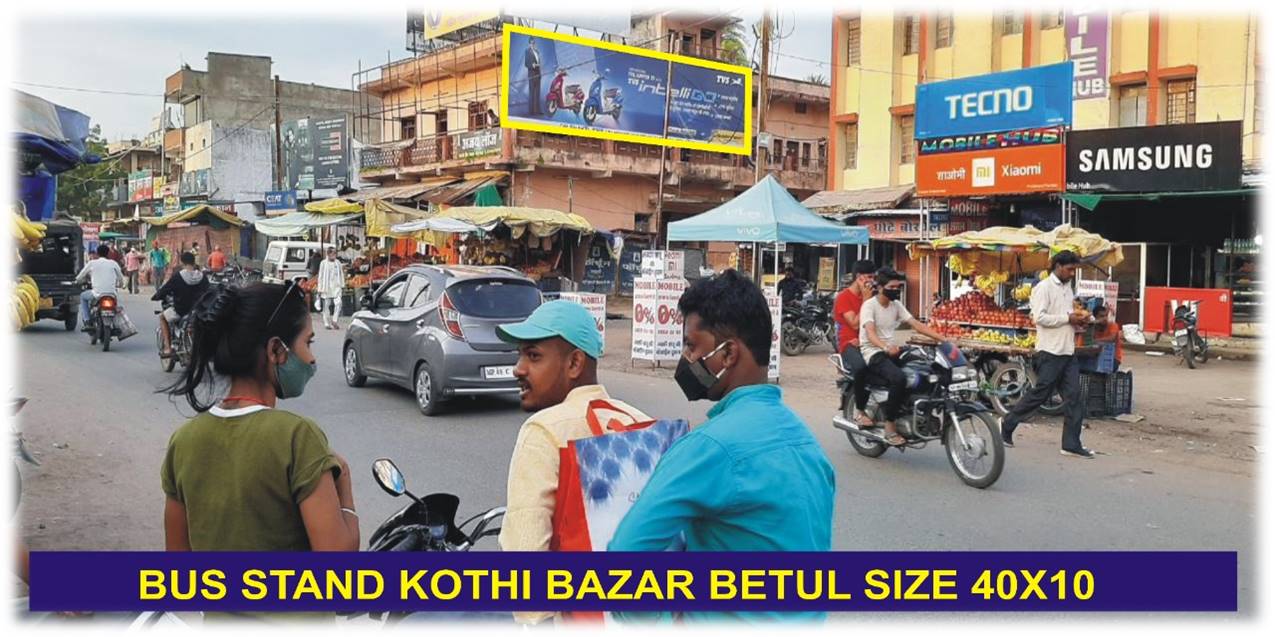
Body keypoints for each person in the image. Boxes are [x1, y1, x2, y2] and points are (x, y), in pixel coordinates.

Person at [609, 270, 835, 623]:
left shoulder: (709, 448)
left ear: (728, 353)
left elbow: (624, 561)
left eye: (691, 345)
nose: (685, 358)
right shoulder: (807, 444)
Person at [160, 281, 358, 562]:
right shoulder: (297, 437)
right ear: (276, 350)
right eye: (307, 342)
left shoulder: (183, 441)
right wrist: (345, 481)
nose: (312, 358)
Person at [496, 301, 647, 625]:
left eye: (533, 356)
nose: (518, 369)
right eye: (519, 355)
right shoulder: (641, 422)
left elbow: (527, 572)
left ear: (575, 363)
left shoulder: (544, 432)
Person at [1000, 250, 1093, 458]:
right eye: (1069, 269)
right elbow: (1039, 318)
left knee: (1074, 397)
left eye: (1073, 270)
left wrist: (1080, 320)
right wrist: (1067, 318)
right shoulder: (1043, 288)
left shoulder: (1069, 289)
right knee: (1040, 395)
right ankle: (1008, 423)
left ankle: (1071, 444)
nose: (1071, 274)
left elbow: (1069, 315)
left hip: (1067, 351)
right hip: (1049, 352)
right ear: (1058, 266)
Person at [851, 268, 952, 446]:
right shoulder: (869, 305)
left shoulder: (896, 305)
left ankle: (914, 407)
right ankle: (890, 425)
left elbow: (916, 324)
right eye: (892, 287)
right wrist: (885, 346)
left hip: (894, 350)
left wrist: (945, 340)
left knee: (926, 367)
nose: (896, 290)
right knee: (899, 378)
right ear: (880, 287)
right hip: (873, 352)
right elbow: (870, 332)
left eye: (899, 287)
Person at [152, 252, 210, 358]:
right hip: (199, 311)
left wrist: (156, 296)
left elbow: (165, 289)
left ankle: (168, 348)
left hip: (181, 310)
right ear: (194, 262)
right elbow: (209, 292)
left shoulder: (178, 276)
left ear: (182, 262)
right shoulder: (202, 277)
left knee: (162, 317)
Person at [833, 260, 877, 373]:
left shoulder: (872, 295)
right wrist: (866, 299)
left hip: (869, 341)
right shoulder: (843, 297)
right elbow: (855, 324)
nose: (872, 281)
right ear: (859, 277)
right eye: (869, 277)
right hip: (849, 343)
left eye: (873, 278)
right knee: (861, 367)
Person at [75, 245, 124, 332]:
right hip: (111, 293)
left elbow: (80, 277)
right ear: (108, 253)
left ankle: (87, 321)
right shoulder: (113, 263)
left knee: (83, 296)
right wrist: (120, 285)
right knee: (115, 306)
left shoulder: (92, 263)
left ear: (97, 253)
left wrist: (77, 282)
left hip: (96, 293)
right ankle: (116, 324)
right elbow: (120, 278)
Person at [1081, 302, 1123, 372]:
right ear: (1095, 317)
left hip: (1113, 358)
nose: (1104, 318)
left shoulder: (1113, 325)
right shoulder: (1092, 327)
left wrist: (1095, 341)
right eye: (1101, 316)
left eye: (1106, 316)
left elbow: (1111, 339)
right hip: (1095, 357)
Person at [316, 247, 345, 330]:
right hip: (326, 287)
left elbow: (341, 274)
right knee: (326, 305)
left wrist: (342, 285)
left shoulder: (338, 263)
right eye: (333, 253)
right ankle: (326, 323)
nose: (335, 255)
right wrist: (320, 289)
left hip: (336, 286)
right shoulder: (323, 263)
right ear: (329, 254)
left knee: (338, 303)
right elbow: (320, 276)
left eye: (335, 253)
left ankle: (334, 320)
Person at [524, 37, 542, 116]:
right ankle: (531, 112)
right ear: (529, 43)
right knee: (532, 93)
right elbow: (526, 63)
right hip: (531, 75)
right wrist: (532, 65)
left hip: (538, 74)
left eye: (534, 43)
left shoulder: (537, 52)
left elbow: (539, 63)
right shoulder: (527, 51)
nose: (533, 44)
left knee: (537, 93)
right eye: (531, 43)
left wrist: (538, 68)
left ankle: (537, 111)